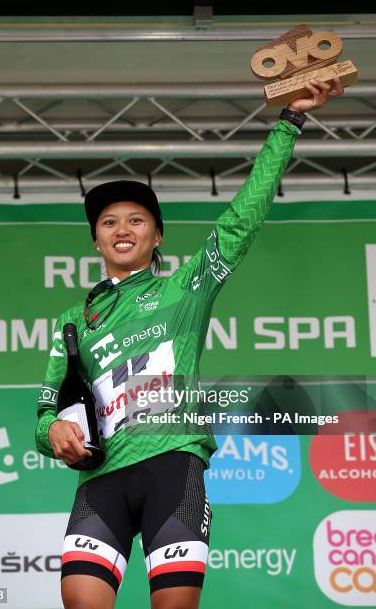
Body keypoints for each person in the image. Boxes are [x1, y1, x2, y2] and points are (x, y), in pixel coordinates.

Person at [35, 78, 344, 609]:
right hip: (101, 482)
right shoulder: (72, 321)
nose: (122, 229)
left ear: (158, 237)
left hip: (173, 468)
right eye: (109, 222)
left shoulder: (185, 289)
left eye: (137, 220)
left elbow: (241, 219)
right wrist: (54, 431)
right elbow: (44, 414)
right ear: (96, 239)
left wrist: (290, 121)